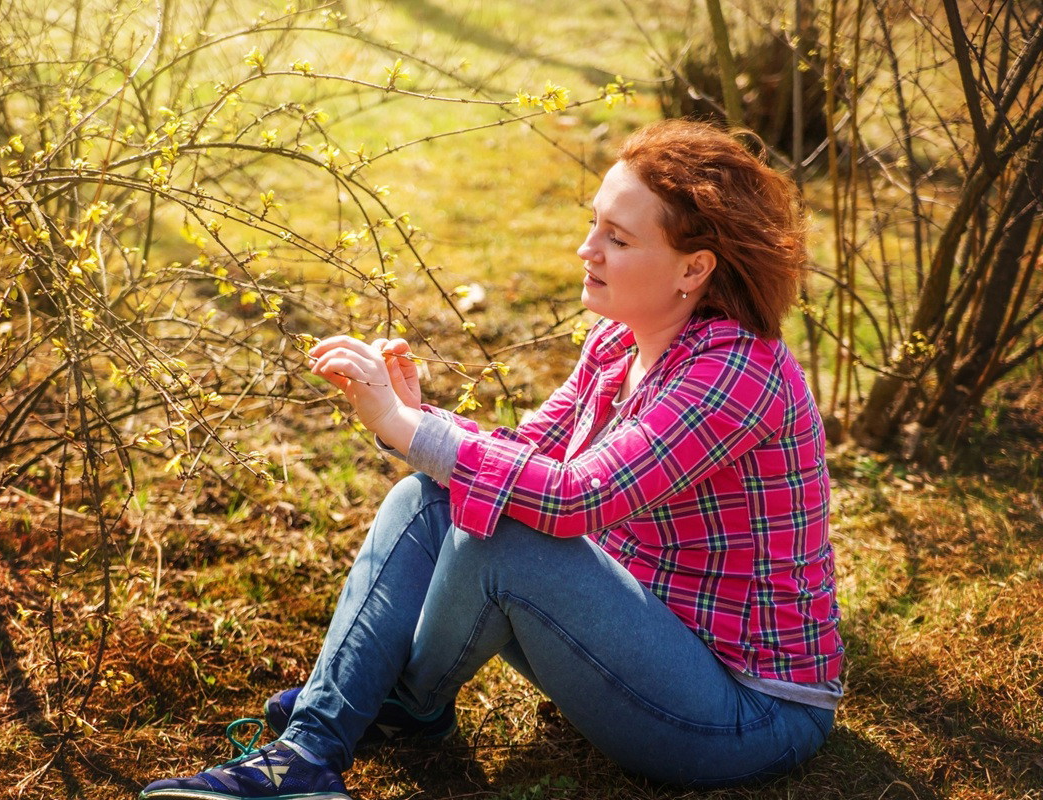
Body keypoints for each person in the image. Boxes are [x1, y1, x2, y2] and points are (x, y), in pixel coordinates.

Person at [139, 119, 844, 800]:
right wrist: (416, 418)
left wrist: (408, 427)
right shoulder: (617, 344)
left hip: (747, 716)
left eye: (617, 238)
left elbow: (572, 499)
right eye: (593, 222)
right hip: (641, 648)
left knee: (504, 532)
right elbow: (524, 457)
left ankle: (406, 703)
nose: (585, 249)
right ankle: (308, 753)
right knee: (426, 500)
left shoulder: (738, 374)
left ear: (693, 268)